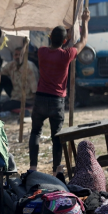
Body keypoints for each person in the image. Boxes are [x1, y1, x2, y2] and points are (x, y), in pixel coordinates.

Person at [29, 9, 90, 173]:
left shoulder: (42, 52)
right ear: (65, 40)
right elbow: (83, 40)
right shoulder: (67, 55)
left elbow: (54, 44)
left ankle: (33, 167)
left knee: (35, 132)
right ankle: (57, 169)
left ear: (50, 38)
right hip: (56, 101)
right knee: (57, 137)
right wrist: (85, 21)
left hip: (40, 98)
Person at [0, 46, 39, 113]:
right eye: (16, 55)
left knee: (6, 106)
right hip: (16, 95)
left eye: (20, 55)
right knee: (0, 78)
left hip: (27, 99)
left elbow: (35, 90)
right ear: (13, 56)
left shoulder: (29, 67)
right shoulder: (12, 65)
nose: (18, 57)